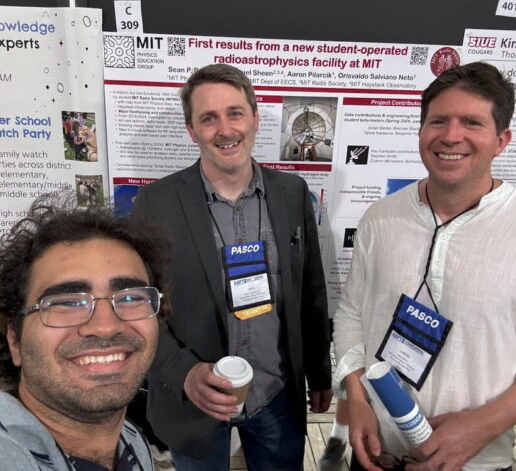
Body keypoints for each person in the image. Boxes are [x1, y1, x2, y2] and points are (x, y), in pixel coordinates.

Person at [132, 63, 332, 470]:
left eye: (235, 113)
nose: (225, 129)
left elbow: (310, 289)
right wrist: (184, 372)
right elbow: (140, 308)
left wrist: (320, 374)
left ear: (255, 119)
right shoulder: (156, 204)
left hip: (276, 394)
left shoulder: (292, 193)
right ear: (192, 130)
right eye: (209, 118)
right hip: (196, 401)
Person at [333, 61, 516, 471]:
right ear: (420, 132)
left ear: (502, 140)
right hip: (377, 453)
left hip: (475, 462)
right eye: (438, 121)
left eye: (471, 122)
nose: (451, 135)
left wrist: (486, 424)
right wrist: (356, 398)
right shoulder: (380, 218)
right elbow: (349, 315)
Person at [0, 191, 171, 470]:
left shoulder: (131, 441)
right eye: (66, 302)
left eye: (130, 298)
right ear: (14, 339)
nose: (105, 327)